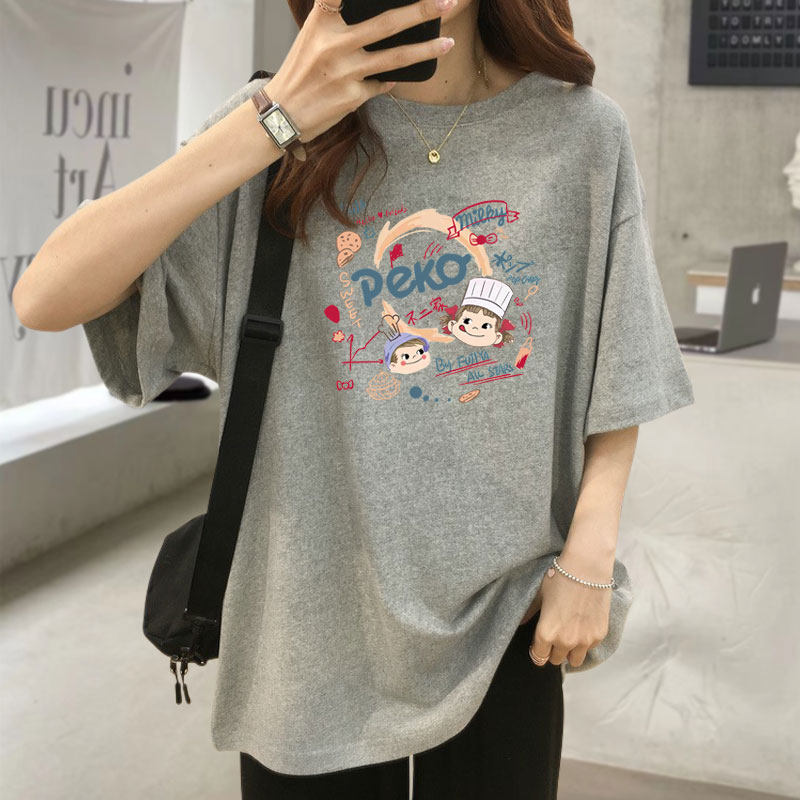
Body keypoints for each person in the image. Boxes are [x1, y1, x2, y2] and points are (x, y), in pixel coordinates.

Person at [13, 0, 695, 797]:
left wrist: (590, 560)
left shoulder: (580, 135)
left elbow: (619, 364)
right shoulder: (275, 133)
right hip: (308, 639)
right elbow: (46, 296)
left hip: (506, 617)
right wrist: (272, 118)